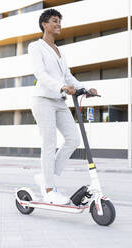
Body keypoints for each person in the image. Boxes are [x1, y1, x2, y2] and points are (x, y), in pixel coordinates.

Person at [28, 9, 98, 205]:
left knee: (73, 139)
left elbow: (67, 76)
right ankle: (49, 190)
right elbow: (40, 74)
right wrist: (61, 87)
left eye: (59, 22)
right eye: (54, 21)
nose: (58, 24)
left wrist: (83, 89)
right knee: (49, 143)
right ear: (44, 24)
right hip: (43, 99)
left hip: (59, 101)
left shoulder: (60, 51)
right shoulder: (36, 47)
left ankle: (46, 176)